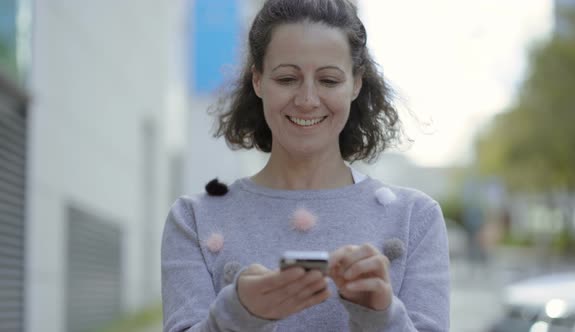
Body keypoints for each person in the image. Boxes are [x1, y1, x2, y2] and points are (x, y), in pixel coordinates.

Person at [161, 0, 450, 331]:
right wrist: (238, 313)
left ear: (356, 84)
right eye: (286, 79)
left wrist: (380, 315)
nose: (308, 99)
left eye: (328, 80)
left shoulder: (415, 219)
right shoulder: (194, 219)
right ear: (257, 81)